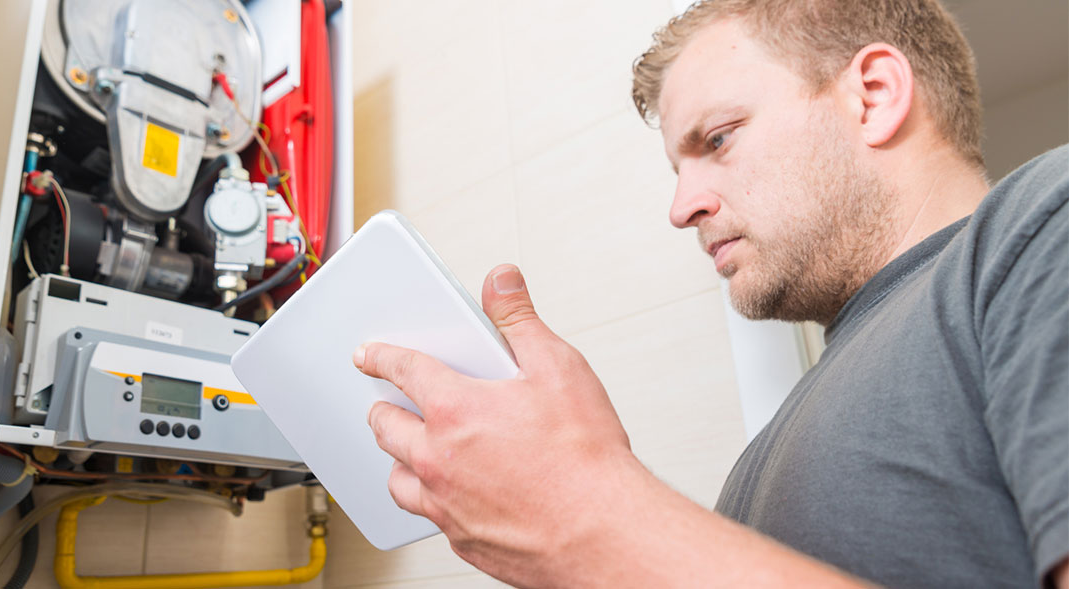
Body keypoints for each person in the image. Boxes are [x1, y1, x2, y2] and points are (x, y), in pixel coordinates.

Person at [352, 0, 1068, 586]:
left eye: (718, 139)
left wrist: (588, 512)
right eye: (676, 167)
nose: (682, 206)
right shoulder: (771, 453)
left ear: (873, 96)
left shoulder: (1043, 222)